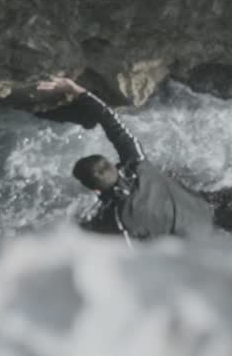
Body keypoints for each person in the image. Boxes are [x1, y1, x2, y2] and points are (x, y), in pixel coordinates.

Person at [36, 76, 214, 243]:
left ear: (97, 191)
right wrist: (74, 88)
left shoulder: (117, 219)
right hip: (205, 214)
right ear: (113, 165)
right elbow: (111, 120)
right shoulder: (138, 164)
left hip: (191, 247)